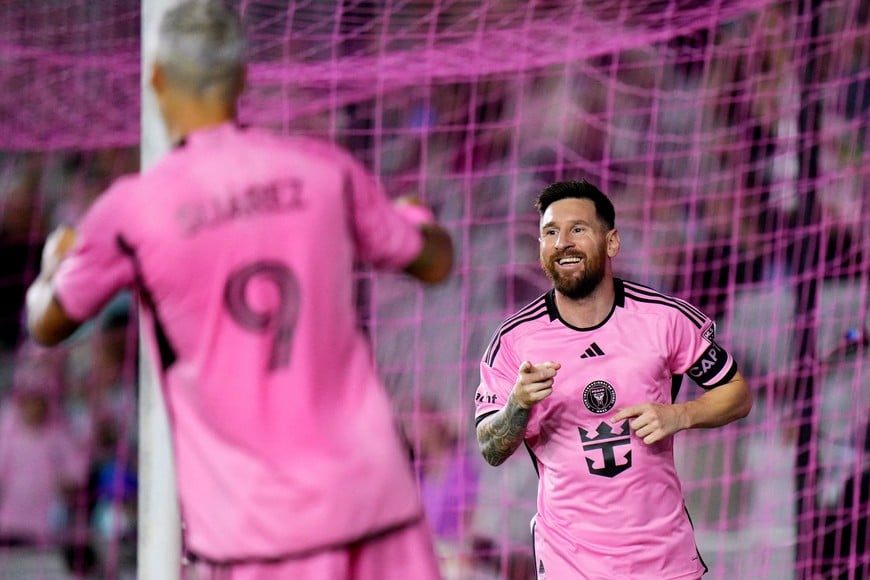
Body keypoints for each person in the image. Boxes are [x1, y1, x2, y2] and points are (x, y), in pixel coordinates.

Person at [25, 1, 453, 579]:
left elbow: (49, 323)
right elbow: (432, 261)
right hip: (373, 503)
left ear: (155, 78)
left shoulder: (130, 211)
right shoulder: (324, 170)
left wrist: (54, 266)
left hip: (257, 529)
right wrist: (413, 216)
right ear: (243, 78)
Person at [474, 180, 752, 579]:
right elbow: (490, 447)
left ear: (612, 242)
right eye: (550, 232)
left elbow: (737, 394)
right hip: (569, 562)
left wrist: (680, 415)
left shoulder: (664, 320)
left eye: (578, 229)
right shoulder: (514, 341)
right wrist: (517, 405)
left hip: (663, 561)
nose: (563, 242)